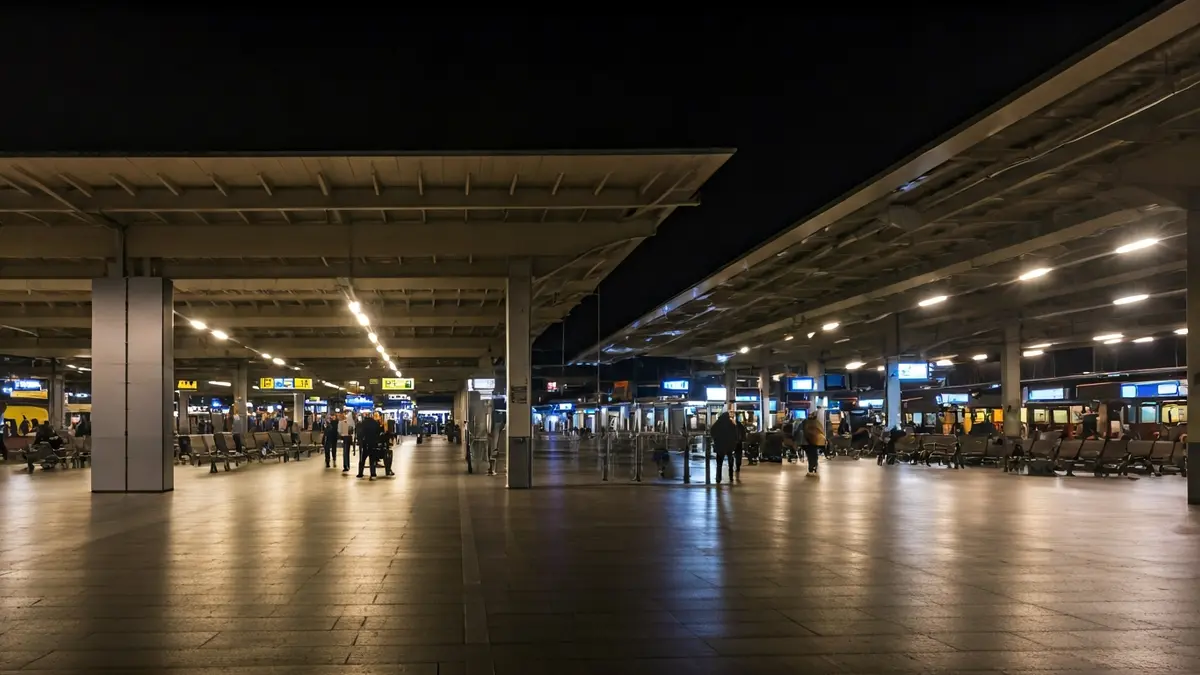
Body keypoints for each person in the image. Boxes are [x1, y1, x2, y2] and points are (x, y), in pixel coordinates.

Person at [709, 409, 739, 483]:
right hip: (729, 446)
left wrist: (716, 439)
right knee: (730, 462)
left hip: (720, 446)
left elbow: (712, 432)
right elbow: (736, 435)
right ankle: (731, 477)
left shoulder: (718, 423)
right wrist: (734, 442)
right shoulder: (731, 424)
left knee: (719, 463)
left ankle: (718, 478)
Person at [356, 413, 382, 480]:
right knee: (372, 459)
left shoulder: (363, 423)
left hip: (365, 443)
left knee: (362, 459)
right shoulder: (375, 423)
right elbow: (378, 432)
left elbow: (360, 433)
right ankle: (373, 473)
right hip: (373, 443)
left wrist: (360, 440)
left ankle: (360, 473)